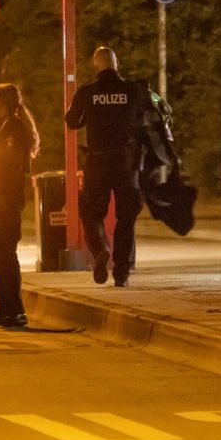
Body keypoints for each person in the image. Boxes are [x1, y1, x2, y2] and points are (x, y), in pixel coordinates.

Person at [66, 46, 154, 287]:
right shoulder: (134, 90)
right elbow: (155, 110)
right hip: (126, 163)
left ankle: (102, 250)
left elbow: (71, 121)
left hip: (98, 161)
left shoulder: (88, 92)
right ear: (117, 64)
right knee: (126, 218)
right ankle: (122, 274)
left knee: (92, 214)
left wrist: (88, 117)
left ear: (96, 65)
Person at [0, 83, 40, 326]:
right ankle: (5, 307)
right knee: (0, 254)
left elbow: (11, 167)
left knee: (5, 253)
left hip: (4, 199)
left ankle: (15, 309)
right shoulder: (2, 126)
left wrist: (4, 198)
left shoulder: (12, 129)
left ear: (3, 101)